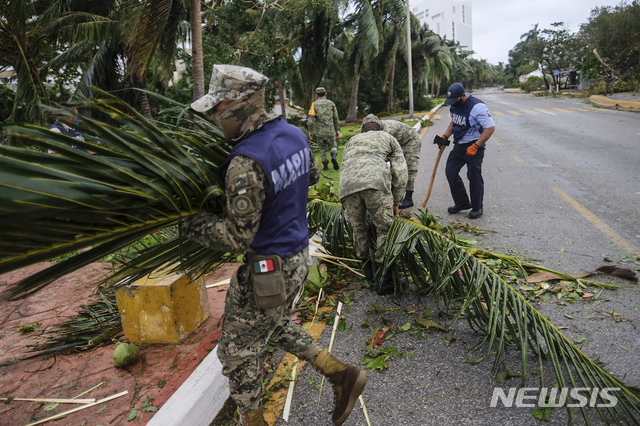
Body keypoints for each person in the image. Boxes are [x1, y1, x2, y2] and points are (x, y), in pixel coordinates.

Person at [185, 64, 368, 426]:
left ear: (242, 105)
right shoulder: (294, 134)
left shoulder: (244, 162)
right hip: (298, 257)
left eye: (220, 110)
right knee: (276, 324)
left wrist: (191, 224)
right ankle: (341, 374)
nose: (216, 119)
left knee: (236, 355)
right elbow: (313, 175)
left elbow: (239, 236)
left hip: (268, 269)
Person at [340, 114, 407, 296]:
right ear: (380, 129)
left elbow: (346, 164)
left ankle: (368, 274)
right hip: (375, 184)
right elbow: (400, 171)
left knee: (358, 229)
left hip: (347, 186)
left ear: (362, 130)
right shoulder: (388, 138)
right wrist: (397, 200)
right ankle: (385, 281)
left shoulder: (352, 140)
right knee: (384, 229)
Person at [439, 82, 495, 219]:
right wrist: (445, 136)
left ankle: (477, 207)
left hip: (474, 146)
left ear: (463, 96)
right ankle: (462, 203)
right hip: (459, 145)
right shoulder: (454, 104)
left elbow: (490, 128)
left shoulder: (478, 107)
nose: (452, 103)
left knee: (474, 176)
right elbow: (454, 122)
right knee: (450, 172)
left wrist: (476, 146)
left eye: (455, 100)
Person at [363, 115, 422, 209]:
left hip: (410, 141)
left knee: (408, 168)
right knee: (391, 169)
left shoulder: (387, 131)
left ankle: (408, 198)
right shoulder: (365, 130)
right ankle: (393, 194)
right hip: (396, 142)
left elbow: (384, 153)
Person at [307, 87, 340, 171]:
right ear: (325, 93)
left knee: (322, 149)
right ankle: (333, 156)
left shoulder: (314, 105)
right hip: (330, 130)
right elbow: (336, 118)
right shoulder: (331, 104)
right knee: (333, 146)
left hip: (319, 132)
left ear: (316, 95)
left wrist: (310, 131)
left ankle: (325, 166)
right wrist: (337, 130)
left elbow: (310, 120)